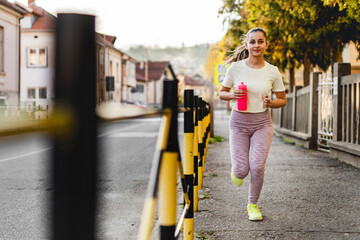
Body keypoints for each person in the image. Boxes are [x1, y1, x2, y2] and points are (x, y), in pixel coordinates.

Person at [218, 27, 287, 221]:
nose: (257, 45)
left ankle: (252, 205)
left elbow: (283, 99)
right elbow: (221, 93)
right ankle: (237, 170)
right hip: (239, 122)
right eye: (253, 41)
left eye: (260, 41)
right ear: (247, 45)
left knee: (257, 166)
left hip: (262, 123)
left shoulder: (272, 71)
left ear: (266, 44)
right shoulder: (236, 68)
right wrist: (232, 95)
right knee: (241, 170)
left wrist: (271, 103)